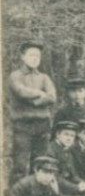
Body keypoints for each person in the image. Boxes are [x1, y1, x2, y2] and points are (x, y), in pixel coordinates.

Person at [8, 41, 57, 183]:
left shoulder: (44, 77)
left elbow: (52, 96)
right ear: (23, 56)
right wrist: (41, 94)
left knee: (40, 163)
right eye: (31, 55)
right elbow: (21, 92)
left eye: (37, 55)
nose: (35, 58)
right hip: (23, 126)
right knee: (20, 164)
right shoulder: (15, 76)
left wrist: (35, 101)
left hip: (42, 125)